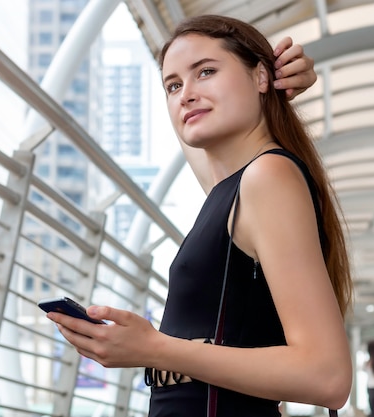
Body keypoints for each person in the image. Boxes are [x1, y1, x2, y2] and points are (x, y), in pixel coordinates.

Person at [46, 14, 353, 417]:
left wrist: (154, 347)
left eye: (205, 71)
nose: (186, 94)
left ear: (261, 76)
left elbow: (327, 377)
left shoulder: (267, 177)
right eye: (173, 85)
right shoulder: (229, 187)